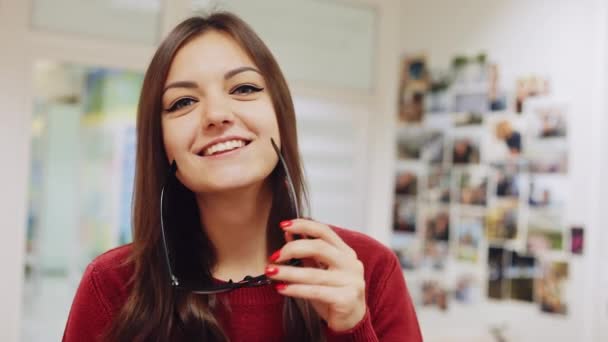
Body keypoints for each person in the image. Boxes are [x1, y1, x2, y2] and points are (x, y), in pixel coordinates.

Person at [62, 12, 421, 342]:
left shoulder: (368, 270)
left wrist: (352, 328)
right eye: (183, 102)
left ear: (281, 116)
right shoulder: (112, 285)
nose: (217, 114)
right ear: (160, 143)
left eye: (244, 89)